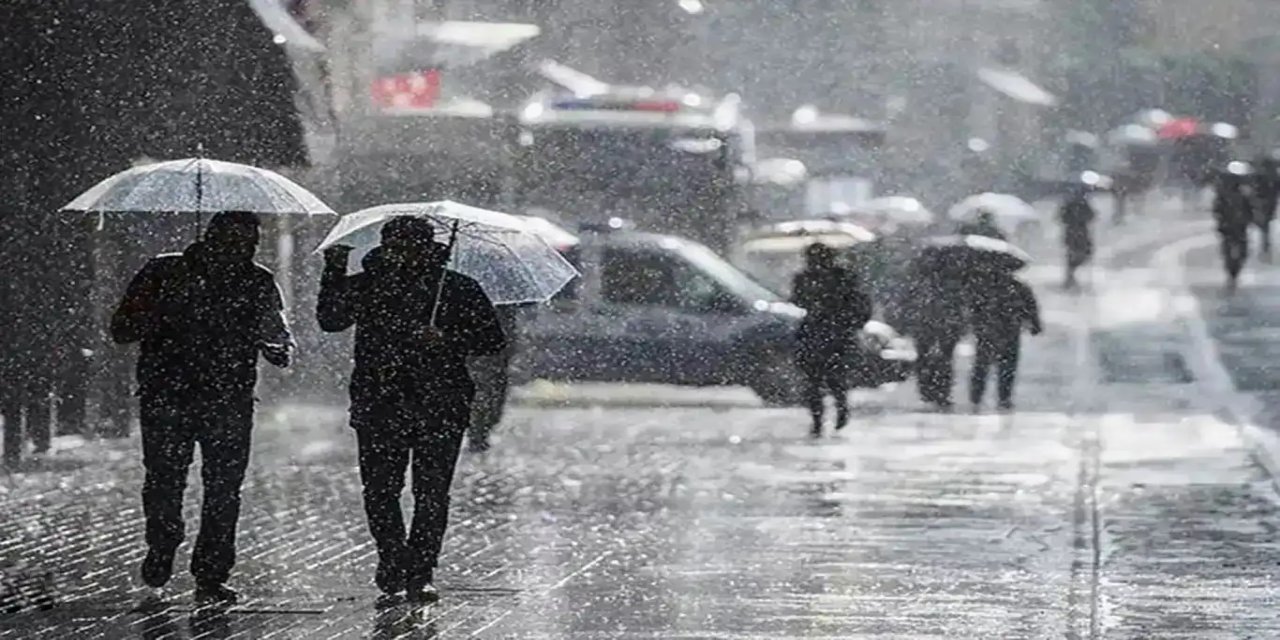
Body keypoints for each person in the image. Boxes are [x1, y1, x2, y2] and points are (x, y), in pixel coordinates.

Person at [317, 217, 506, 604]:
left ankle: (420, 571)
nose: (404, 254)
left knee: (431, 493)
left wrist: (447, 337)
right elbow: (331, 320)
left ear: (429, 247)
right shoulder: (369, 284)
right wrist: (333, 271)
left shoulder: (455, 288)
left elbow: (491, 339)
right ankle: (392, 556)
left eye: (411, 246)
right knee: (380, 490)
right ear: (386, 246)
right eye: (396, 245)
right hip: (379, 401)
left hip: (441, 403)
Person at [111, 211, 293, 604]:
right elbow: (121, 329)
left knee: (223, 489)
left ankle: (211, 573)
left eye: (248, 242)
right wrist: (165, 314)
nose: (241, 249)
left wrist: (275, 348)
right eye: (233, 240)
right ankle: (164, 542)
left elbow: (277, 337)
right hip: (169, 396)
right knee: (165, 479)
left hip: (227, 400)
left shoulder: (257, 281)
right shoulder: (163, 273)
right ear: (210, 237)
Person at [791, 243, 872, 437]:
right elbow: (797, 299)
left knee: (829, 379)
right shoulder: (807, 277)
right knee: (818, 380)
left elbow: (858, 302)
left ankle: (834, 414)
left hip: (832, 331)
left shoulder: (842, 276)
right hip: (819, 331)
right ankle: (821, 418)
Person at [968, 271, 1042, 411]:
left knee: (982, 365)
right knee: (1007, 366)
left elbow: (973, 308)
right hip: (1009, 332)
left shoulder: (984, 286)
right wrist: (1034, 324)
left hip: (987, 332)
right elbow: (1030, 307)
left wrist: (976, 324)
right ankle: (1003, 397)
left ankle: (976, 397)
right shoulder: (1019, 287)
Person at [901, 257, 968, 409]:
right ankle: (941, 391)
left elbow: (906, 305)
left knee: (925, 358)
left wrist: (906, 323)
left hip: (925, 327)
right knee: (944, 359)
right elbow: (960, 308)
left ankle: (928, 390)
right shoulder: (952, 285)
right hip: (944, 328)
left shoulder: (918, 284)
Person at [1213, 167, 1254, 292]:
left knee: (1236, 252)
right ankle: (1233, 272)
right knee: (1236, 252)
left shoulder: (1235, 195)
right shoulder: (1227, 195)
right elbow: (1218, 211)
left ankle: (1233, 272)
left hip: (1235, 228)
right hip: (1232, 228)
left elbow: (1217, 211)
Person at [1059, 188, 1096, 290]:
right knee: (1077, 253)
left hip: (1077, 232)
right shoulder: (1076, 205)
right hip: (1076, 232)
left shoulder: (1078, 205)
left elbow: (1091, 216)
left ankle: (1070, 275)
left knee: (1079, 253)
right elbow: (1091, 216)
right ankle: (1070, 276)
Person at [1253, 155, 1279, 259]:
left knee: (1263, 224)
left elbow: (1255, 188)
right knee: (1266, 224)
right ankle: (1265, 244)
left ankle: (1265, 244)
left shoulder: (1259, 175)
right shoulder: (1275, 176)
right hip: (1270, 202)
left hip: (1261, 202)